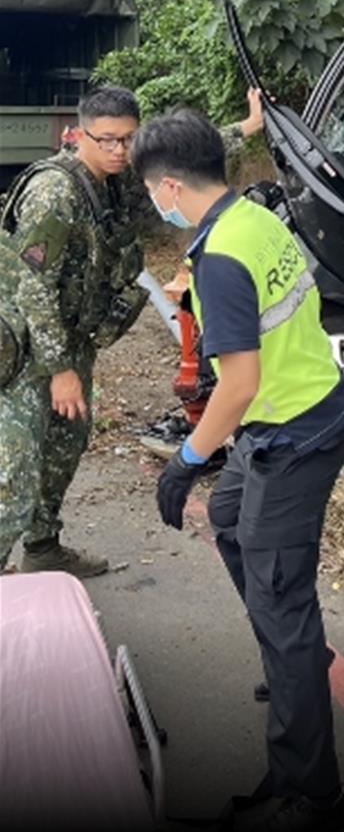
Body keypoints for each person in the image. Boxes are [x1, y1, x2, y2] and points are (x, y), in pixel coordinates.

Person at [131, 109, 344, 832]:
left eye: (150, 192)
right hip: (293, 416)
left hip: (291, 431)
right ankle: (292, 654)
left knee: (283, 597)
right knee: (230, 522)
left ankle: (311, 794)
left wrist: (187, 462)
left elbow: (239, 385)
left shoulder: (223, 256)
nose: (152, 205)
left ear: (168, 186)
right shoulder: (249, 217)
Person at [0, 84, 263, 579]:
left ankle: (42, 548)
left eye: (127, 140)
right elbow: (32, 290)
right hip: (27, 350)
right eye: (107, 140)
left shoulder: (115, 180)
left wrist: (248, 127)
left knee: (63, 447)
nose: (119, 151)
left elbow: (183, 158)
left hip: (71, 339)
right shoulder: (55, 194)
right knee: (14, 475)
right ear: (77, 135)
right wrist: (60, 371)